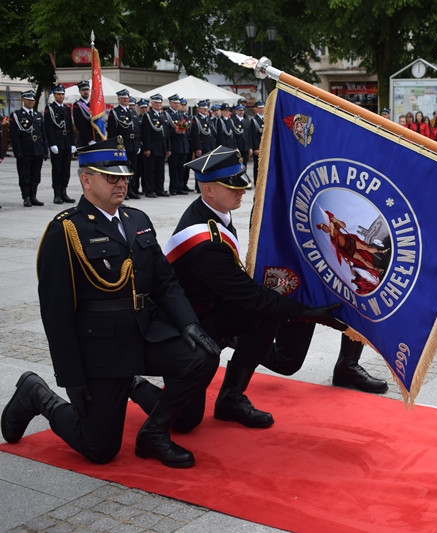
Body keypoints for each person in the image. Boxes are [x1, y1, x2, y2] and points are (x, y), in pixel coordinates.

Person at [0, 136, 220, 468]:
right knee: (100, 450)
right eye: (111, 177)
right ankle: (37, 394)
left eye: (124, 177)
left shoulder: (137, 220)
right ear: (86, 180)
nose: (121, 183)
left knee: (202, 358)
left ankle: (153, 434)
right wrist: (70, 377)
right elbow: (56, 314)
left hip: (145, 335)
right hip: (102, 349)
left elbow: (165, 282)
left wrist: (189, 323)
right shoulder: (67, 231)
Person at [129, 146, 366, 430]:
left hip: (210, 310)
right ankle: (129, 382)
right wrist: (310, 313)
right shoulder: (206, 241)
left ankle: (231, 398)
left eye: (241, 184)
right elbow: (251, 296)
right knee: (185, 421)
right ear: (208, 190)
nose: (241, 192)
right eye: (232, 187)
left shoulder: (216, 212)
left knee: (265, 315)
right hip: (182, 324)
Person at [9, 90, 47, 207]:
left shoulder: (38, 115)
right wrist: (17, 152)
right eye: (28, 100)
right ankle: (26, 197)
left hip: (37, 148)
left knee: (36, 174)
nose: (30, 102)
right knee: (25, 174)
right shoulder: (17, 115)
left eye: (32, 100)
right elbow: (14, 136)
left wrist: (45, 150)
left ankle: (33, 196)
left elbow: (43, 134)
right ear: (23, 100)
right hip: (25, 149)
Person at [44, 84, 77, 204]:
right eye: (58, 94)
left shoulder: (66, 109)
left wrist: (73, 143)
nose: (61, 96)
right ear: (54, 95)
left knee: (66, 170)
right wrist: (52, 143)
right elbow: (48, 128)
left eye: (62, 94)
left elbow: (69, 127)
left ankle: (64, 192)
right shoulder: (50, 109)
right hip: (57, 142)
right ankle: (57, 193)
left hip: (66, 141)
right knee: (57, 169)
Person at [107, 89, 141, 200]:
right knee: (123, 169)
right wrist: (115, 146)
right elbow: (112, 131)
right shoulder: (115, 112)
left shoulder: (132, 112)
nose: (126, 100)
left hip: (133, 144)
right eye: (124, 98)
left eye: (127, 98)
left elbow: (137, 129)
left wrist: (138, 144)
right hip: (122, 144)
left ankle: (131, 189)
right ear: (119, 99)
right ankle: (124, 190)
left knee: (133, 168)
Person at [140, 93, 171, 198]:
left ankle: (159, 189)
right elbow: (146, 133)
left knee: (160, 170)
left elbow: (167, 134)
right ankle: (150, 190)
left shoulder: (164, 115)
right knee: (150, 170)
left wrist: (168, 148)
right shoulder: (148, 116)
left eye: (160, 102)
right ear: (152, 103)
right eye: (156, 102)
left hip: (162, 147)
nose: (158, 104)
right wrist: (147, 148)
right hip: (152, 147)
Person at [165, 94, 190, 196]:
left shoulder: (181, 115)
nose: (177, 105)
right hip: (174, 145)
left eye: (178, 103)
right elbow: (166, 132)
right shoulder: (167, 115)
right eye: (175, 103)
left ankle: (180, 186)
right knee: (173, 168)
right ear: (170, 103)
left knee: (181, 168)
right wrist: (175, 131)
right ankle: (173, 187)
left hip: (182, 145)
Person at [72, 80, 93, 147]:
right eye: (83, 90)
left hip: (95, 137)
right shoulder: (77, 105)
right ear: (80, 91)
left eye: (87, 89)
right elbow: (79, 124)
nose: (85, 92)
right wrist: (89, 139)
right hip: (84, 139)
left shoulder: (93, 104)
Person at [249, 100, 265, 181]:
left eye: (263, 108)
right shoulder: (254, 120)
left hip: (266, 146)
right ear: (256, 109)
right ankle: (257, 181)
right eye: (260, 108)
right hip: (258, 147)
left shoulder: (267, 118)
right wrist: (255, 148)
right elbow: (252, 135)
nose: (262, 110)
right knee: (257, 165)